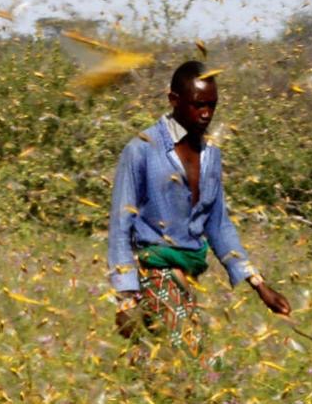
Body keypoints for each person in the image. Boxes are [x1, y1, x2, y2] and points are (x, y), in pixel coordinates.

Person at [107, 60, 290, 361]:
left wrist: (258, 284)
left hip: (190, 272)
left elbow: (218, 225)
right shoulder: (141, 150)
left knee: (157, 362)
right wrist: (125, 299)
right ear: (174, 100)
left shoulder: (211, 155)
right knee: (191, 356)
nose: (206, 113)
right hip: (153, 269)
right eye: (198, 105)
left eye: (212, 106)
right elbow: (120, 225)